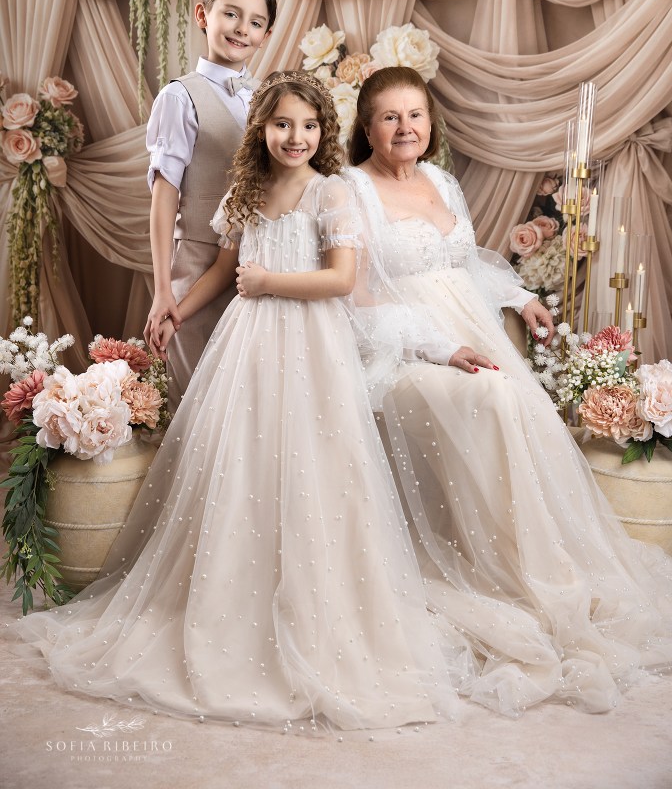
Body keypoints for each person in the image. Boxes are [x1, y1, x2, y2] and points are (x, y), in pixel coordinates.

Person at [17, 72, 460, 733]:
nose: (295, 137)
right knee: (244, 463)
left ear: (324, 132)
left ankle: (316, 605)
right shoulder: (245, 191)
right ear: (262, 129)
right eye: (282, 124)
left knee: (314, 467)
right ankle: (234, 596)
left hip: (311, 348)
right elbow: (226, 271)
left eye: (308, 126)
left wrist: (270, 280)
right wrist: (175, 308)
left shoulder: (331, 191)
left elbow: (342, 278)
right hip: (248, 344)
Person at [343, 65, 672, 718]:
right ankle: (500, 569)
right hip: (397, 351)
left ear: (430, 123)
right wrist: (437, 347)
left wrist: (518, 296)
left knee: (521, 403)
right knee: (495, 398)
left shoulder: (440, 180)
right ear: (366, 127)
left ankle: (535, 568)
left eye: (415, 114)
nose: (405, 127)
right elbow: (355, 297)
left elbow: (466, 263)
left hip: (473, 335)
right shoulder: (349, 190)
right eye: (389, 117)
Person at [144, 0, 277, 413]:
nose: (242, 29)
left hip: (258, 261)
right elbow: (165, 195)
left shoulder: (268, 97)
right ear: (203, 15)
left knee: (248, 402)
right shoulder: (180, 97)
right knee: (196, 399)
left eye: (255, 22)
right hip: (199, 259)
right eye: (231, 14)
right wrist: (164, 289)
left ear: (266, 35)